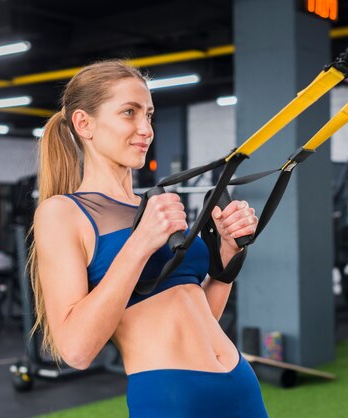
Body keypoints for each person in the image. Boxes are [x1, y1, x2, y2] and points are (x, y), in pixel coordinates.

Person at [30, 60, 269, 417]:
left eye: (149, 115)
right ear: (84, 123)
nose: (145, 129)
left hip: (238, 383)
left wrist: (226, 257)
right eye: (129, 112)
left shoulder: (151, 208)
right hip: (171, 396)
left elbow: (197, 317)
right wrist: (140, 243)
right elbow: (76, 350)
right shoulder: (61, 213)